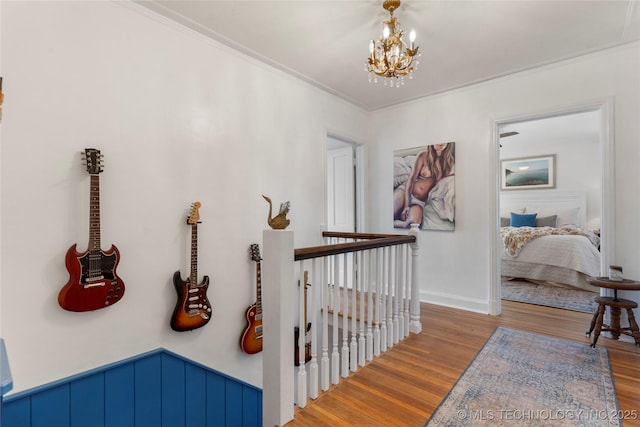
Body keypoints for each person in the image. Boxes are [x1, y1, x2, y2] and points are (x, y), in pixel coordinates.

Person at [394, 143, 454, 228]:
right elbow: (411, 180)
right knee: (390, 215)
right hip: (405, 192)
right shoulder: (423, 155)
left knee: (409, 225)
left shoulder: (449, 162)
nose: (440, 144)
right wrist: (406, 206)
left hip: (419, 202)